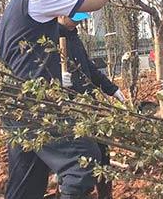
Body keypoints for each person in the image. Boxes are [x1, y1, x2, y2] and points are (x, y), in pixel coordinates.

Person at [0, 0, 119, 199]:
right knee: (83, 160)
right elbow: (95, 1)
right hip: (39, 102)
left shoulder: (13, 8)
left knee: (26, 183)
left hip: (18, 104)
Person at [58, 12, 126, 199]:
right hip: (71, 108)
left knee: (102, 152)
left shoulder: (74, 37)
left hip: (90, 105)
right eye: (75, 17)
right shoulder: (53, 36)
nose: (79, 21)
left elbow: (89, 68)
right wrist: (58, 79)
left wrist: (112, 89)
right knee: (81, 159)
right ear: (62, 14)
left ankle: (105, 195)